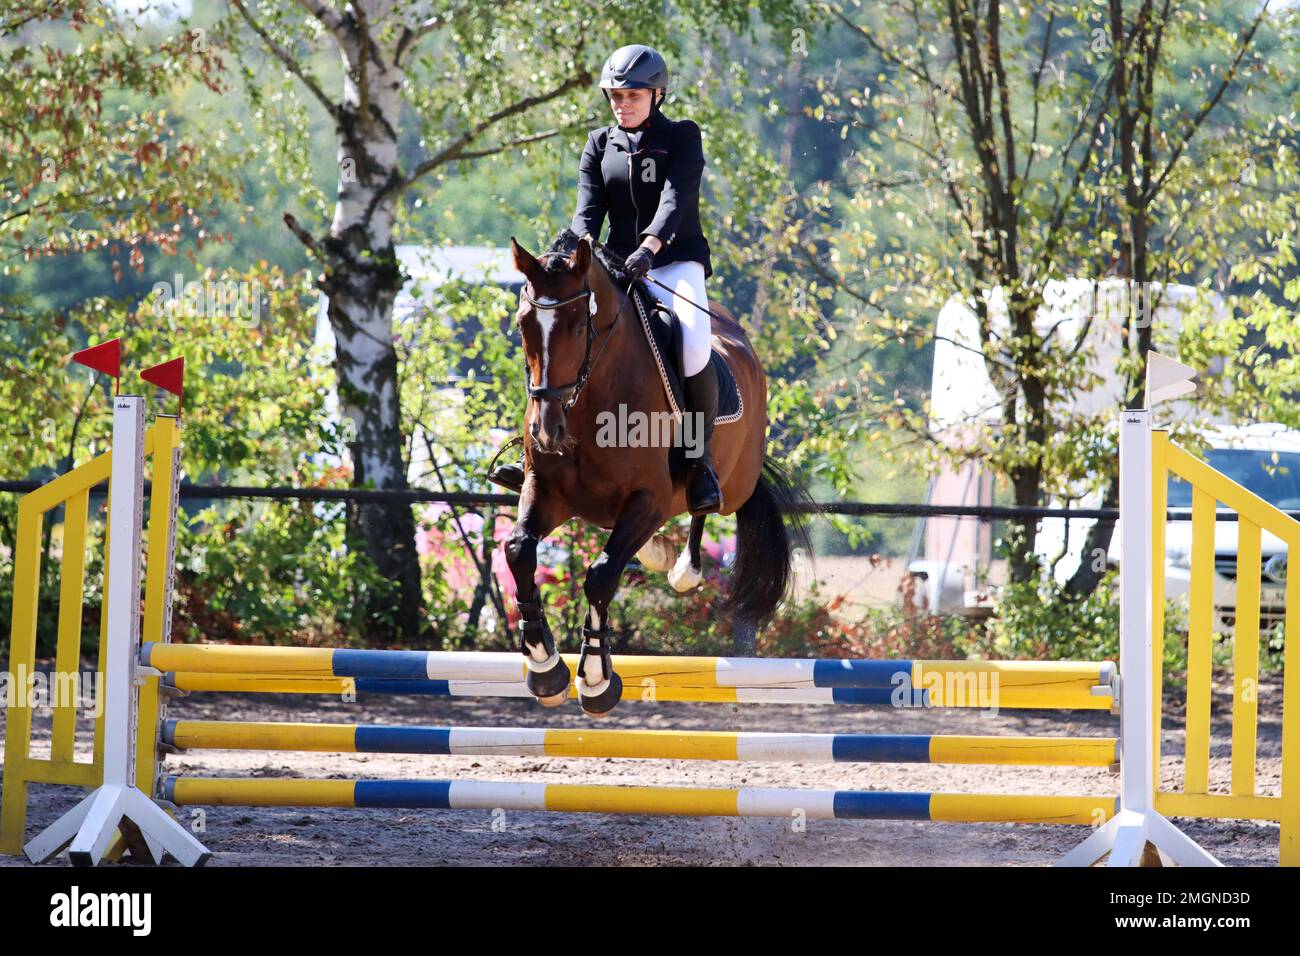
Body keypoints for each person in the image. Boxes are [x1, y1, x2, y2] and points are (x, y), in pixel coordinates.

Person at [489, 43, 722, 516]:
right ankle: (532, 445)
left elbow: (676, 202)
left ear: (657, 94)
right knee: (556, 331)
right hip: (615, 264)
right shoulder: (599, 143)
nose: (622, 104)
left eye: (633, 95)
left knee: (694, 341)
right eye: (615, 96)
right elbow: (586, 216)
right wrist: (564, 258)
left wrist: (648, 249)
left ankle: (698, 464)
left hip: (673, 261)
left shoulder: (682, 137)